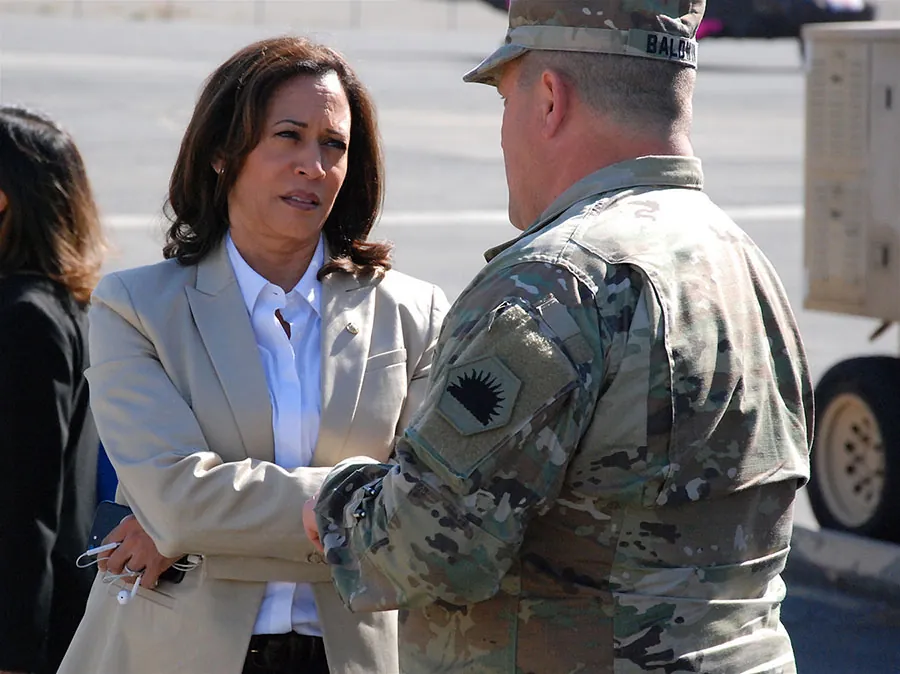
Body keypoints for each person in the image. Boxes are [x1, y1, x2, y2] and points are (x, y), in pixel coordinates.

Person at [305, 0, 814, 671]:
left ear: (549, 98)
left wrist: (336, 497)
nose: (502, 132)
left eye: (504, 99)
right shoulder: (744, 264)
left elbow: (428, 547)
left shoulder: (557, 280)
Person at [59, 36, 448, 674]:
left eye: (334, 144)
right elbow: (179, 501)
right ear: (221, 151)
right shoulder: (135, 307)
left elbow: (430, 507)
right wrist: (355, 508)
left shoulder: (416, 312)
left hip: (352, 656)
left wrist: (195, 538)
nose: (313, 165)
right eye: (288, 136)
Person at [0, 106, 105, 674]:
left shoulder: (26, 318)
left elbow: (26, 508)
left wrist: (15, 655)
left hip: (23, 633)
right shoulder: (61, 306)